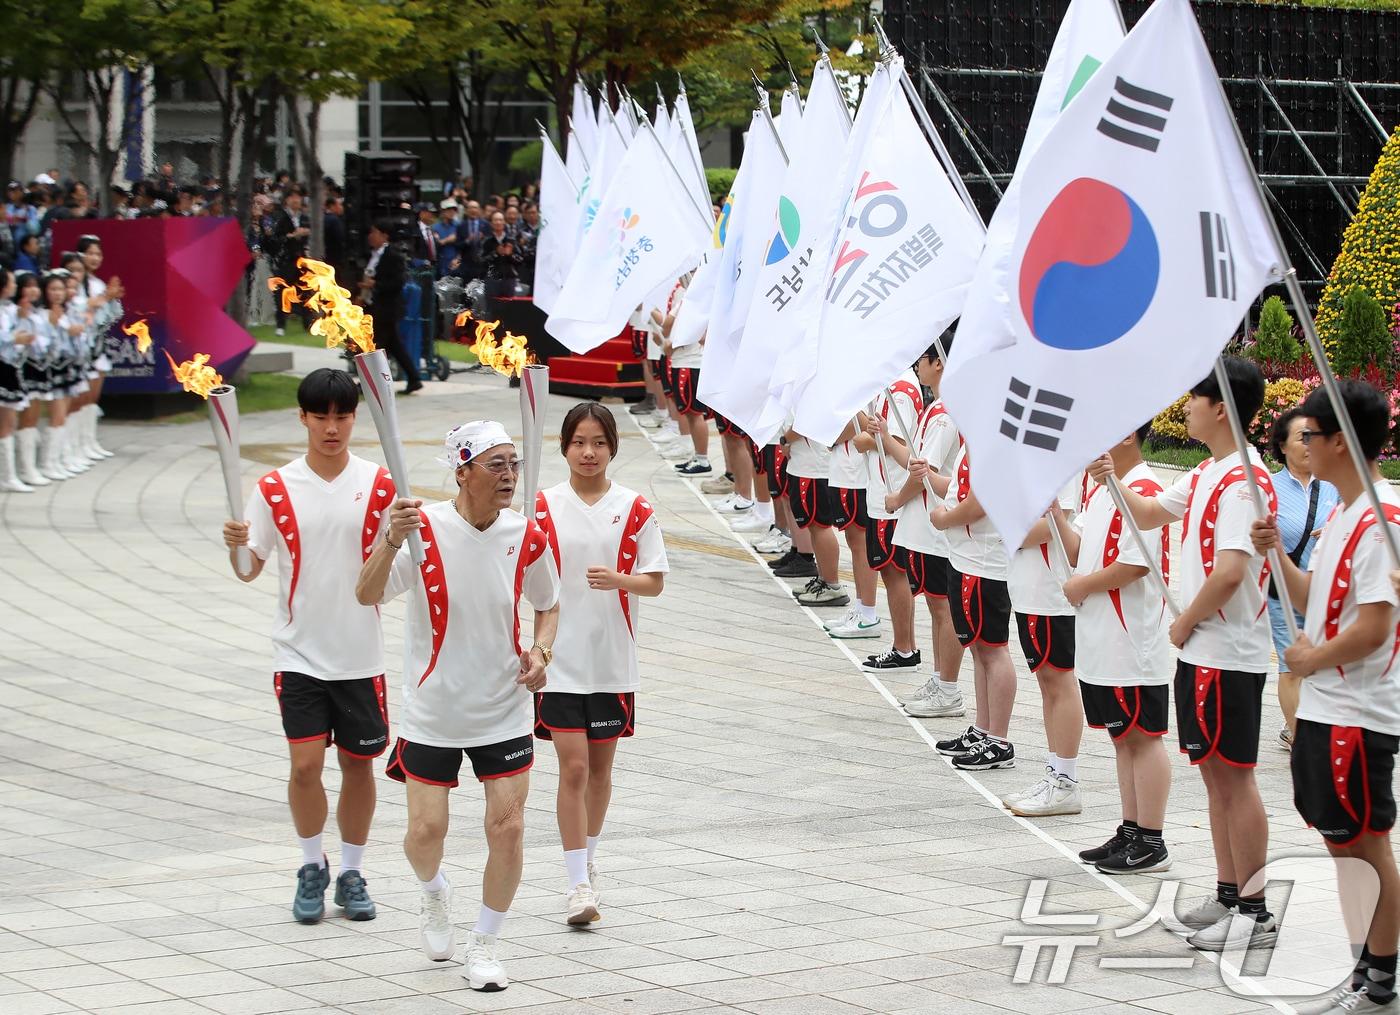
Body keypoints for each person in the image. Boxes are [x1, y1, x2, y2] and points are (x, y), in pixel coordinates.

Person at [357, 421, 559, 992]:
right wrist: (390, 538)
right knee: (425, 832)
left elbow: (549, 604)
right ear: (462, 471)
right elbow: (366, 593)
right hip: (435, 709)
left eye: (513, 464)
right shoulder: (421, 531)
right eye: (496, 465)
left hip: (504, 704)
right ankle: (434, 893)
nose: (509, 476)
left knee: (509, 827)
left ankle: (487, 943)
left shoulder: (527, 535)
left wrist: (542, 650)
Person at [1099, 356, 1277, 952]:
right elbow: (1150, 513)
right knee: (1215, 777)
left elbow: (1231, 571)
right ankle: (1228, 893)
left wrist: (1186, 623)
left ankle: (1253, 910)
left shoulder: (1244, 480)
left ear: (1222, 408)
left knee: (1236, 779)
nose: (1186, 408)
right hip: (1202, 649)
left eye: (1195, 398)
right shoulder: (1206, 473)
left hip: (1226, 649)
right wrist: (1113, 479)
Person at [220, 369, 390, 925]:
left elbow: (400, 567)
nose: (332, 428)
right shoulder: (274, 489)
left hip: (360, 654)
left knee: (358, 766)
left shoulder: (382, 484)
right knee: (303, 767)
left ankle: (351, 870)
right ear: (303, 418)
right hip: (299, 652)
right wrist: (236, 547)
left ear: (354, 418)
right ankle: (311, 865)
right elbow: (249, 570)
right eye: (321, 416)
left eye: (342, 416)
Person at [1253, 381, 1400, 1013]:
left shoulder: (1379, 519)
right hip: (1323, 709)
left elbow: (1374, 625)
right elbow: (1317, 595)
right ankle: (1363, 964)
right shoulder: (1342, 512)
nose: (1301, 446)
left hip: (1358, 715)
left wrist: (1312, 657)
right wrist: (1277, 557)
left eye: (1310, 434)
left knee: (1366, 848)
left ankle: (1381, 978)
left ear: (1340, 440)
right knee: (1340, 846)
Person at [534, 403, 667, 925]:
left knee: (600, 772)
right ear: (564, 447)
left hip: (612, 661)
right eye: (578, 442)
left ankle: (587, 859)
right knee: (573, 768)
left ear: (613, 447)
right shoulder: (542, 507)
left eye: (599, 443)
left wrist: (621, 581)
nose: (588, 453)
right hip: (559, 661)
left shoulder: (634, 508)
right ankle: (576, 885)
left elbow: (654, 581)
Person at [1062, 425, 1173, 873]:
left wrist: (1082, 585)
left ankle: (1152, 839)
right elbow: (1078, 551)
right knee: (1121, 736)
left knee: (1143, 738)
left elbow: (1135, 565)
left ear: (1127, 436)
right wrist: (1054, 514)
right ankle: (1130, 829)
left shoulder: (1144, 490)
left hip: (1131, 641)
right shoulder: (1101, 490)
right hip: (1101, 636)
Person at [888, 337, 965, 718]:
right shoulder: (938, 407)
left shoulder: (948, 412)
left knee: (944, 609)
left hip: (936, 528)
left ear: (939, 362)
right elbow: (917, 463)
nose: (917, 364)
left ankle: (949, 688)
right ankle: (940, 679)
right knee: (937, 607)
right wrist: (886, 437)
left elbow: (925, 473)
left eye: (923, 357)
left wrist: (898, 499)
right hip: (925, 527)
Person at [932, 444, 1017, 770]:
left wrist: (944, 518)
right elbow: (959, 486)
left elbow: (981, 504)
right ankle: (984, 729)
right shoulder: (977, 436)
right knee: (980, 649)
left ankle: (999, 740)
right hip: (966, 556)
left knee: (994, 649)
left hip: (986, 561)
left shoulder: (995, 441)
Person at [1001, 480, 1082, 816]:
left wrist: (1004, 530)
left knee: (1059, 681)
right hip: (1029, 589)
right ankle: (1055, 773)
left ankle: (1066, 782)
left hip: (1051, 594)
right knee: (1048, 684)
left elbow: (1054, 523)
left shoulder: (1066, 463)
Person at [1267, 407, 1339, 750]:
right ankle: (1303, 741)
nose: (1310, 444)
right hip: (1282, 591)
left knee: (1322, 662)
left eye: (1313, 436)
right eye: (1302, 437)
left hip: (1325, 592)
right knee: (1290, 663)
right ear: (1282, 445)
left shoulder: (1332, 486)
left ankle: (1298, 722)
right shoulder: (1268, 488)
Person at [858, 373, 923, 671]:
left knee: (895, 574)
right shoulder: (885, 387)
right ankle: (905, 646)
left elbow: (896, 447)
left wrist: (872, 437)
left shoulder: (900, 392)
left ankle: (904, 649)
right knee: (891, 573)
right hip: (882, 497)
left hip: (892, 499)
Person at [357, 220, 422, 395]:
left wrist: (375, 284)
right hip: (374, 306)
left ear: (384, 235)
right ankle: (414, 378)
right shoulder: (373, 255)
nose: (371, 236)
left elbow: (397, 282)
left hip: (387, 308)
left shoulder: (393, 254)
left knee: (374, 346)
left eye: (374, 232)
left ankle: (368, 382)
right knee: (394, 345)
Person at [0, 269, 36, 492]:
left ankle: (10, 474)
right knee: (6, 422)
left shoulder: (11, 310)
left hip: (10, 368)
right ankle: (8, 476)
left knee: (9, 422)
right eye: (12, 282)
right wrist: (15, 337)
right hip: (2, 369)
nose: (15, 286)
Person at [270, 189, 311, 336]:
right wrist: (292, 236)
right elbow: (276, 238)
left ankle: (308, 324)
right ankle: (280, 325)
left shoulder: (305, 217)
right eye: (292, 197)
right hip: (285, 260)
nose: (296, 200)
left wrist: (305, 233)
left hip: (302, 260)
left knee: (305, 292)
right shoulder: (281, 217)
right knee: (281, 293)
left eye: (298, 197)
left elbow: (310, 233)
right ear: (286, 200)